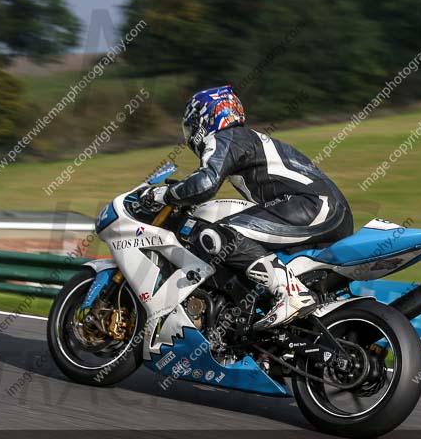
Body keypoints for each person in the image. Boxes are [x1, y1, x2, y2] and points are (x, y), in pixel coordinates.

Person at [141, 85, 353, 330]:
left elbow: (205, 184)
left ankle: (291, 293)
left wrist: (163, 194)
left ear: (208, 118)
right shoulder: (246, 139)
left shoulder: (225, 137)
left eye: (192, 126)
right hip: (328, 211)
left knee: (216, 234)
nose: (190, 135)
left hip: (312, 207)